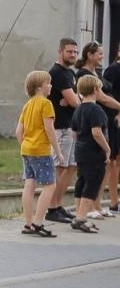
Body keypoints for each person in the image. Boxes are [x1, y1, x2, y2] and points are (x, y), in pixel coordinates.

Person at [74, 42, 120, 217]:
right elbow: (102, 97)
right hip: (96, 125)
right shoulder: (84, 76)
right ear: (89, 54)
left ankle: (98, 204)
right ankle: (88, 209)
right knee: (93, 170)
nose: (102, 56)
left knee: (108, 163)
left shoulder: (98, 73)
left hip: (108, 121)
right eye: (99, 53)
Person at [15, 69, 59, 237]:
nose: (51, 86)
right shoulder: (46, 104)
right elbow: (50, 129)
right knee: (50, 185)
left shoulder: (27, 105)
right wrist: (57, 151)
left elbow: (19, 131)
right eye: (48, 83)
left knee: (29, 184)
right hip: (41, 149)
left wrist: (26, 145)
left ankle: (27, 223)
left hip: (26, 149)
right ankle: (38, 222)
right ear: (40, 87)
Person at [69, 74, 112, 233]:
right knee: (92, 183)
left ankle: (77, 215)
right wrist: (107, 148)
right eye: (100, 89)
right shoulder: (96, 110)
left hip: (80, 151)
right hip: (94, 152)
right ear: (95, 90)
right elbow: (96, 132)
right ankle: (82, 218)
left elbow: (74, 133)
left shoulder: (78, 109)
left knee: (81, 181)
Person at [46, 38, 80, 223]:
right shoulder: (58, 73)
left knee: (71, 166)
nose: (73, 55)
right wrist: (74, 99)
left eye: (75, 52)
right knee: (59, 168)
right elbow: (75, 101)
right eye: (70, 52)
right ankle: (52, 208)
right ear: (60, 51)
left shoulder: (70, 73)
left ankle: (59, 205)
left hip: (70, 126)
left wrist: (75, 98)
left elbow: (76, 97)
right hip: (60, 127)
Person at [104, 48, 120, 214]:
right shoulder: (113, 70)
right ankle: (113, 201)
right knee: (113, 160)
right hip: (113, 119)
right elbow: (106, 95)